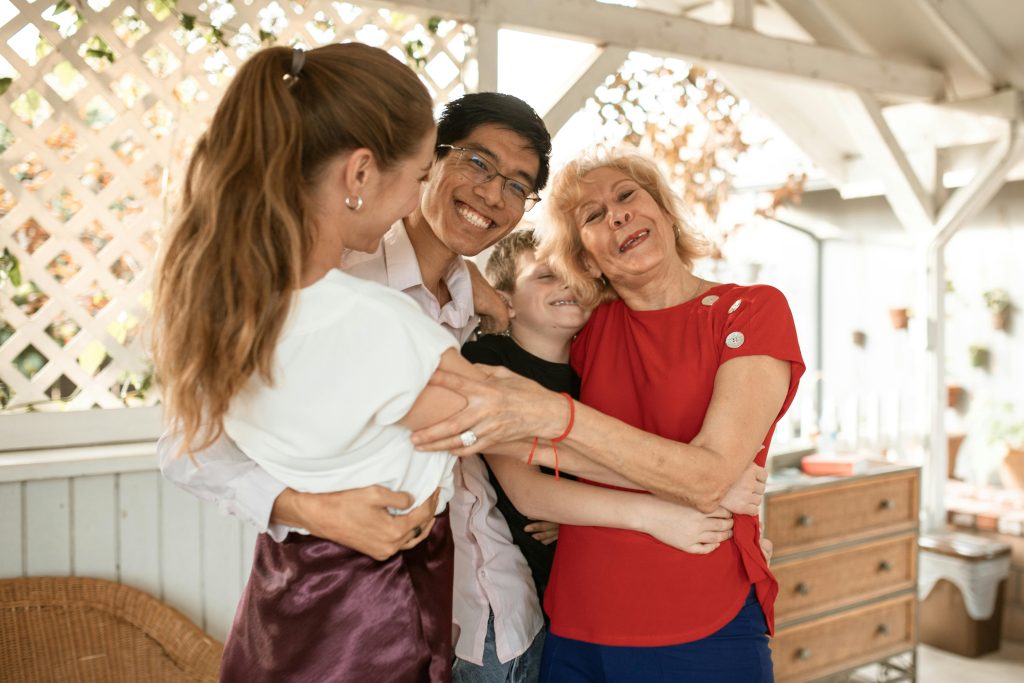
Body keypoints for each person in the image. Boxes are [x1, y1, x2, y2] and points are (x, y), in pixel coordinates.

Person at [157, 91, 560, 677]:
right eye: (478, 162)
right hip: (364, 614)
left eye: (518, 186)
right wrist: (307, 509)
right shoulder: (333, 285)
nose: (494, 195)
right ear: (429, 159)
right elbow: (184, 445)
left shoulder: (481, 301)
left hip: (501, 611)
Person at [412, 151, 805, 682]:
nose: (616, 214)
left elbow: (708, 475)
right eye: (593, 216)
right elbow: (515, 445)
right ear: (587, 261)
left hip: (701, 617)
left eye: (626, 196)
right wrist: (481, 289)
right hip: (575, 624)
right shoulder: (584, 331)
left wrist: (559, 420)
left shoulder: (751, 310)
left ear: (665, 212)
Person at [456, 229, 761, 682]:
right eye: (545, 276)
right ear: (506, 301)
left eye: (574, 274)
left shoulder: (593, 363)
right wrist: (679, 500)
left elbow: (631, 458)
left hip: (577, 588)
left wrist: (707, 481)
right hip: (507, 605)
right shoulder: (489, 359)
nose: (566, 284)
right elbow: (528, 492)